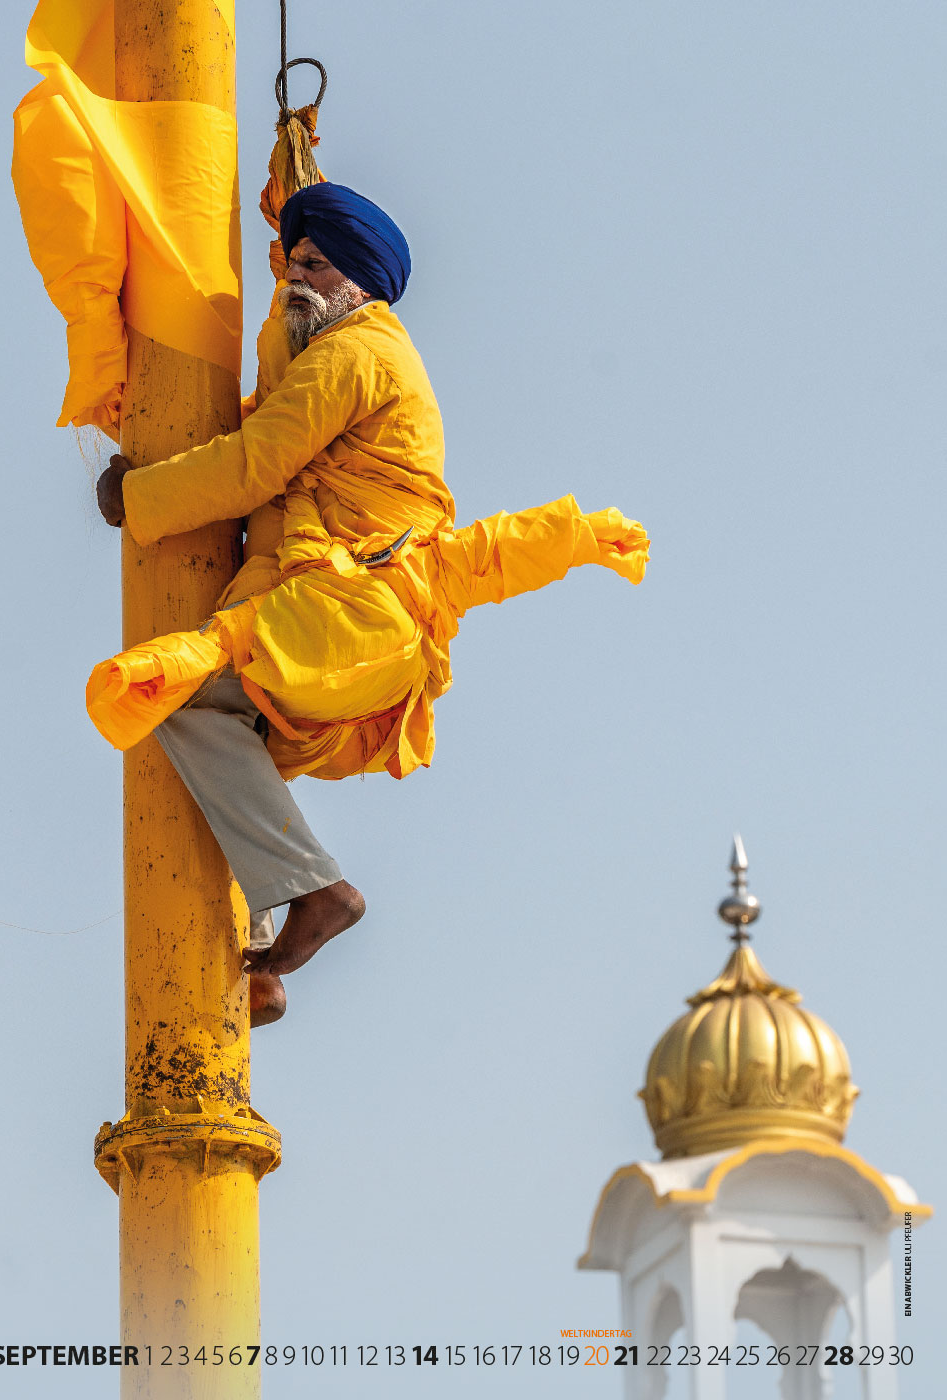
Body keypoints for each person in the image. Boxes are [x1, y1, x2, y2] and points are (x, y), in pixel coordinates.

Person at [93, 182, 649, 1028]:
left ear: (360, 283)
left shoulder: (357, 354)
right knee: (233, 752)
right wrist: (292, 200)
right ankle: (257, 966)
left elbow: (256, 464)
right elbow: (276, 396)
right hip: (347, 616)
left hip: (353, 609)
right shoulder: (329, 341)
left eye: (315, 266)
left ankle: (317, 890)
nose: (294, 279)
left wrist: (140, 499)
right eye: (292, 263)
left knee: (185, 698)